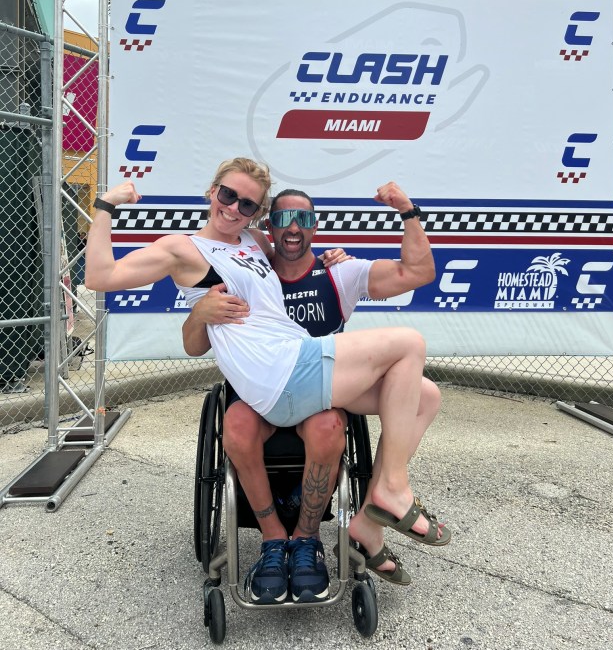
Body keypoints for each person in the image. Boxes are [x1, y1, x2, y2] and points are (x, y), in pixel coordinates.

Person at [85, 157, 451, 606]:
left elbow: (402, 270)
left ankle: (368, 522)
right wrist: (105, 206)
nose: (234, 208)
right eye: (227, 195)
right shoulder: (183, 248)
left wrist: (357, 242)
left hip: (293, 363)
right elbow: (100, 277)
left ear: (258, 215)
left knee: (425, 395)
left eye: (248, 204)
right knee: (410, 342)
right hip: (277, 370)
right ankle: (390, 490)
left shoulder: (252, 242)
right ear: (211, 191)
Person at [182, 182, 444, 602]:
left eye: (303, 219)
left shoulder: (339, 271)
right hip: (258, 393)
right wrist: (199, 311)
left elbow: (418, 274)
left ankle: (322, 533)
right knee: (236, 425)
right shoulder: (247, 269)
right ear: (268, 226)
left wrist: (409, 212)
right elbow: (196, 340)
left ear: (315, 227)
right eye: (283, 218)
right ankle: (272, 540)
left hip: (322, 393)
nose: (293, 227)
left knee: (423, 396)